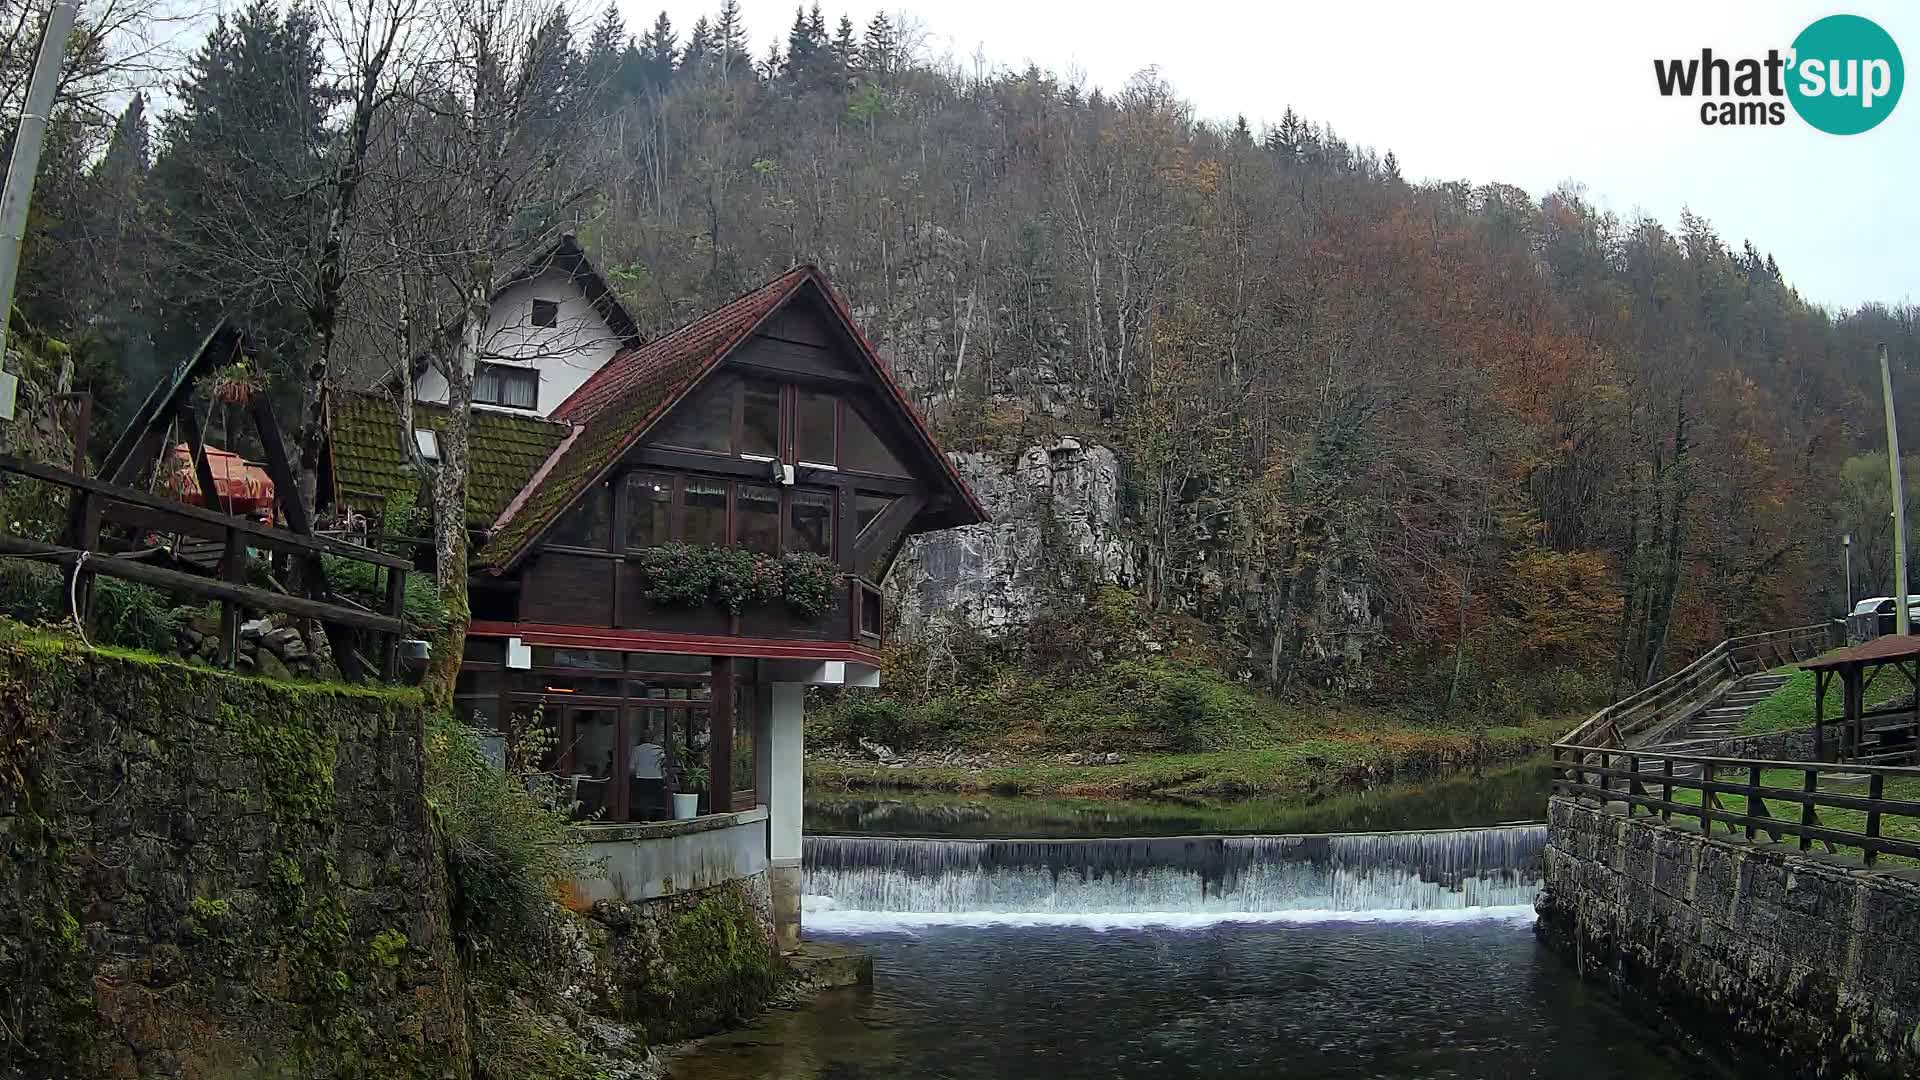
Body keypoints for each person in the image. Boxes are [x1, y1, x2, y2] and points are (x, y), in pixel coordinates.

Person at [629, 736, 667, 821]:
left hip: (641, 778)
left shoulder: (637, 749)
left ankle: (644, 818)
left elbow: (631, 767)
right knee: (655, 801)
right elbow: (664, 766)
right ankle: (655, 819)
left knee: (643, 801)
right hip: (657, 778)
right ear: (652, 739)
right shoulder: (659, 749)